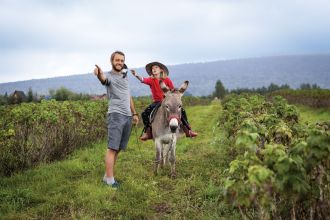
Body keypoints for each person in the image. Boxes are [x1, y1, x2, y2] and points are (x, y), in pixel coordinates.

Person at [94, 51, 139, 188]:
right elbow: (103, 80)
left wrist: (134, 113)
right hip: (116, 115)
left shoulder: (125, 76)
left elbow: (128, 95)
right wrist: (99, 74)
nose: (119, 62)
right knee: (112, 148)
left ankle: (107, 176)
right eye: (117, 60)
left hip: (127, 115)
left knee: (119, 148)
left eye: (121, 60)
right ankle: (110, 181)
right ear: (112, 61)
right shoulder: (109, 77)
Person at [131, 61, 198, 141]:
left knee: (182, 111)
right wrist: (136, 75)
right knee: (144, 113)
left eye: (156, 68)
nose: (154, 69)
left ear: (161, 70)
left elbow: (173, 91)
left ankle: (187, 130)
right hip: (157, 102)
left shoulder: (167, 80)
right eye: (152, 68)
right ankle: (148, 132)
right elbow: (143, 79)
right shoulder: (151, 80)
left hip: (167, 101)